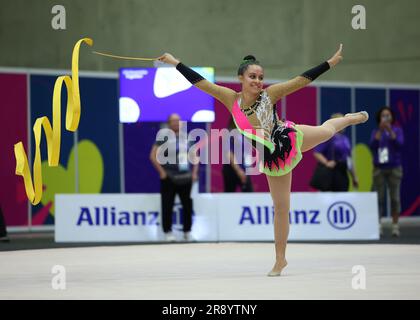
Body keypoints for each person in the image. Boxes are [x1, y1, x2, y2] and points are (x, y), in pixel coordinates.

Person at [157, 44, 368, 276]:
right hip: (272, 157)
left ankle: (349, 119)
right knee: (281, 208)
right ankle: (280, 260)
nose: (257, 81)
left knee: (327, 132)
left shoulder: (270, 93)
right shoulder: (231, 98)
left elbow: (301, 80)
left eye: (260, 77)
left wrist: (330, 63)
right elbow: (201, 83)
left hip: (289, 137)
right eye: (252, 77)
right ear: (241, 78)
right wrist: (175, 62)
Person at [149, 114, 199, 242]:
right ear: (169, 123)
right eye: (173, 121)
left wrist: (194, 173)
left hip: (186, 178)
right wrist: (162, 173)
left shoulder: (187, 138)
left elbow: (195, 156)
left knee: (187, 206)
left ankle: (187, 232)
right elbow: (152, 156)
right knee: (167, 205)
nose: (176, 123)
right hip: (169, 177)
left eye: (178, 121)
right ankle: (168, 232)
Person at [370, 106, 404, 237]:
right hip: (379, 168)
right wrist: (381, 130)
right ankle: (378, 225)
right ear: (379, 118)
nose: (385, 118)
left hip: (394, 167)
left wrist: (390, 131)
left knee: (395, 198)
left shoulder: (397, 130)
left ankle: (395, 226)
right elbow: (372, 145)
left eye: (387, 115)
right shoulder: (376, 131)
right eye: (383, 115)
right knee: (379, 198)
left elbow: (400, 144)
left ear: (391, 117)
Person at [312, 113, 358, 191]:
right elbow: (317, 152)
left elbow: (349, 159)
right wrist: (326, 162)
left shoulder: (345, 139)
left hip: (343, 172)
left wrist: (354, 176)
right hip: (331, 173)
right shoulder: (328, 136)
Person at [222, 117, 254, 192]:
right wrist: (238, 170)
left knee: (249, 194)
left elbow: (247, 151)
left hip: (243, 168)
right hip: (231, 169)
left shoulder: (245, 134)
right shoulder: (229, 134)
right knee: (229, 195)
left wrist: (248, 166)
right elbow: (229, 153)